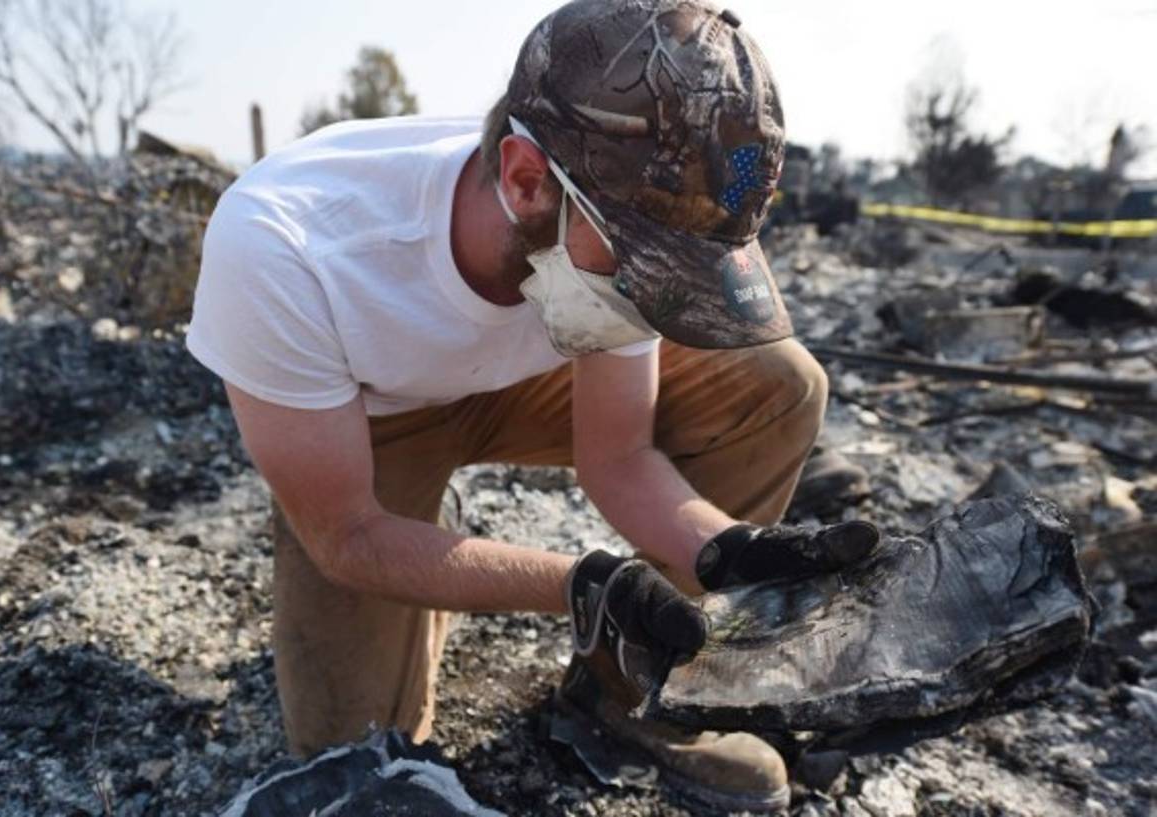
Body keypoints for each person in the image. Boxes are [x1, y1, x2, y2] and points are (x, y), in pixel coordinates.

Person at [187, 0, 878, 811]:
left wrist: (725, 553)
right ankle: (425, 522)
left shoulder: (609, 230)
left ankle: (634, 698)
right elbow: (347, 536)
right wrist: (586, 583)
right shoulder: (286, 246)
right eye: (651, 266)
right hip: (371, 418)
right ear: (523, 181)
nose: (659, 295)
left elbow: (617, 458)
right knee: (352, 746)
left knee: (778, 383)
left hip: (523, 375)